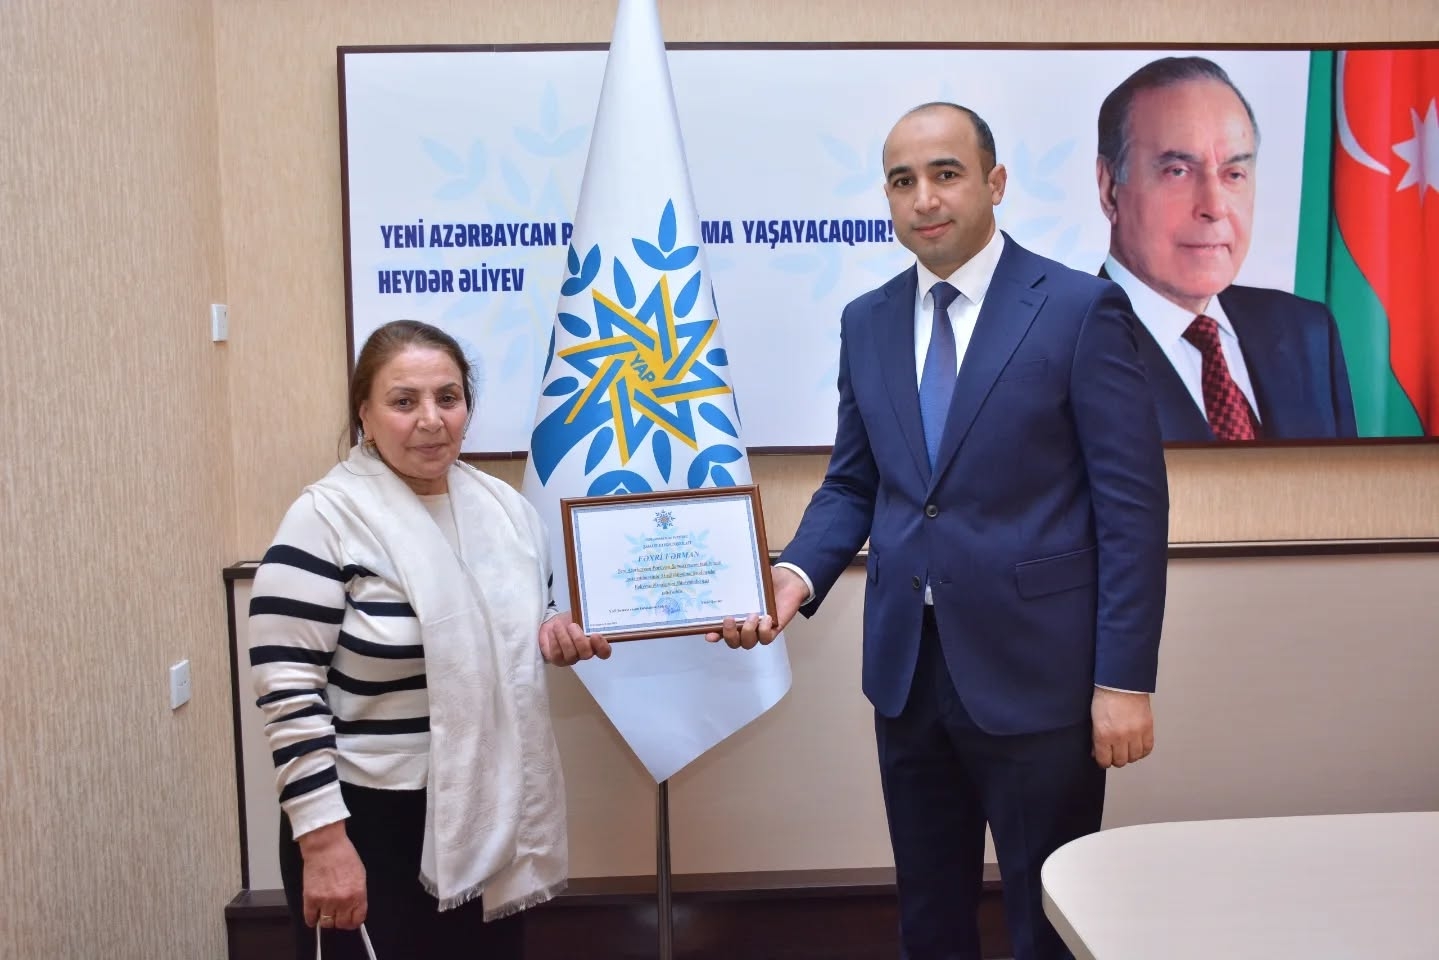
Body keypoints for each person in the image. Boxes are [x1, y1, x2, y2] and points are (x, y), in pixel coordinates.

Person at [709, 103, 1169, 960]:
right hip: (907, 674)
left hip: (1041, 677)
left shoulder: (1078, 309)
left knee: (1047, 924)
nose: (923, 197)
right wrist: (791, 575)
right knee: (929, 918)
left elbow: (1132, 510)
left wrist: (1123, 680)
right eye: (902, 181)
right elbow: (854, 482)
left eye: (945, 174)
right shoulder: (867, 320)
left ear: (994, 182)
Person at [249, 319, 609, 960]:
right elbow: (288, 690)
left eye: (448, 397)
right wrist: (323, 842)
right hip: (365, 823)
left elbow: (532, 617)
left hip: (486, 812)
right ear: (365, 414)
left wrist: (554, 631)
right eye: (403, 401)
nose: (431, 420)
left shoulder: (507, 512)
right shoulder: (324, 518)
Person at [1095, 55, 1357, 442]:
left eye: (1234, 173)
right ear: (1109, 189)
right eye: (1177, 172)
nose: (1215, 207)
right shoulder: (1054, 356)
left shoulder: (1307, 332)